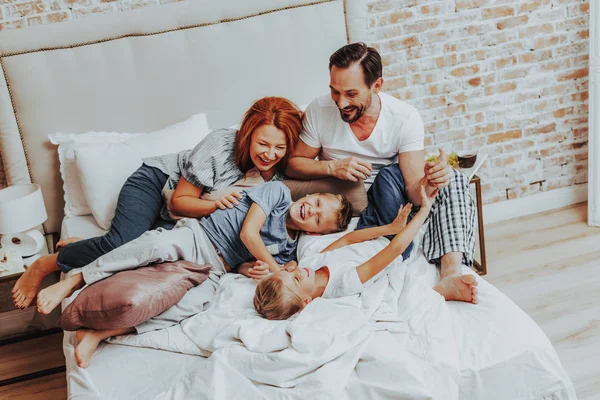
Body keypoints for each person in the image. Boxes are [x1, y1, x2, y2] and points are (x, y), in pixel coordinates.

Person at [13, 97, 304, 309]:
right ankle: (44, 264)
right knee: (122, 242)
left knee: (147, 258)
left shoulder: (274, 178)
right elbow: (180, 203)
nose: (269, 154)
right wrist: (216, 205)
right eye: (263, 144)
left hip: (184, 222)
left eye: (279, 148)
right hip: (158, 185)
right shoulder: (221, 145)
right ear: (248, 133)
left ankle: (90, 244)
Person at [36, 181, 352, 368]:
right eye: (317, 202)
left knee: (189, 308)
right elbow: (248, 235)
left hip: (217, 268)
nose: (311, 210)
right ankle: (76, 280)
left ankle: (100, 334)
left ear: (317, 232)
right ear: (312, 195)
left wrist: (251, 268)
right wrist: (271, 265)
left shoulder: (287, 251)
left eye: (319, 219)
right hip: (197, 235)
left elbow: (245, 260)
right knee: (152, 246)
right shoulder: (279, 194)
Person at [285, 42, 477, 304]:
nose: (341, 103)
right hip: (345, 203)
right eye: (334, 91)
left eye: (351, 93)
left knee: (453, 180)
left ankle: (451, 274)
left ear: (377, 86)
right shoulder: (319, 111)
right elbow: (293, 165)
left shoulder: (404, 118)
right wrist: (332, 167)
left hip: (390, 199)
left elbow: (412, 190)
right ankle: (399, 244)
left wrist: (431, 183)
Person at [254, 185, 479, 321]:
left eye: (289, 271)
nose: (298, 271)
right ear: (306, 301)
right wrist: (424, 211)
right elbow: (394, 250)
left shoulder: (310, 263)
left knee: (382, 184)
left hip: (376, 232)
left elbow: (348, 238)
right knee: (393, 180)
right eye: (295, 278)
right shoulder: (343, 284)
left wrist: (389, 227)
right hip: (394, 244)